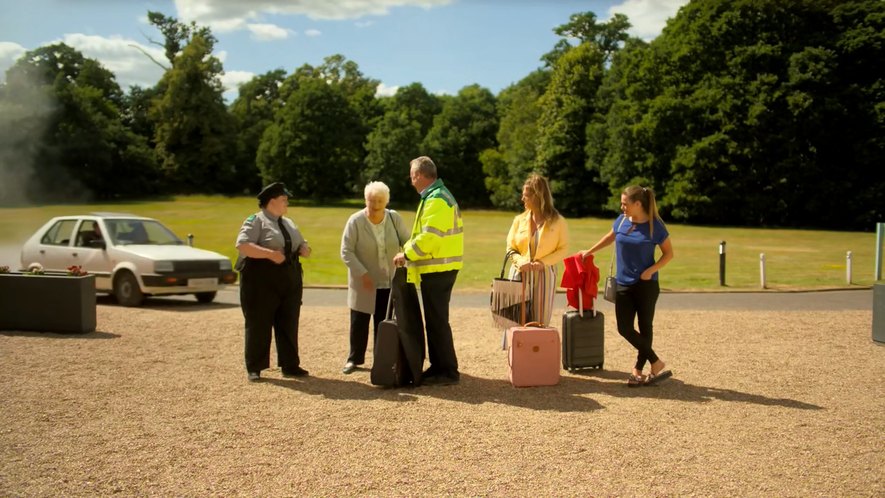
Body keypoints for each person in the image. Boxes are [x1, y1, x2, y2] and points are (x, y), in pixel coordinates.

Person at [581, 185, 674, 387]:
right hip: (623, 283)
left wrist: (651, 270)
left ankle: (637, 370)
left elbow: (669, 254)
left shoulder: (654, 226)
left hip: (646, 285)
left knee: (645, 327)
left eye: (625, 203)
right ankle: (656, 361)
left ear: (638, 204)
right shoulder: (622, 220)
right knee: (624, 328)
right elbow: (610, 236)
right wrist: (590, 251)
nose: (622, 207)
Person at [393, 156, 464, 386]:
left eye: (412, 175)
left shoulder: (437, 199)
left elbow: (430, 237)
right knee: (435, 320)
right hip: (439, 267)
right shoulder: (435, 196)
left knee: (437, 320)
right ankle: (440, 366)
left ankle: (447, 370)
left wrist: (407, 253)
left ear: (420, 175)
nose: (411, 181)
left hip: (439, 268)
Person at [235, 182, 312, 382]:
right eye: (283, 199)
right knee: (259, 322)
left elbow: (300, 241)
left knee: (289, 321)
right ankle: (255, 367)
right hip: (261, 279)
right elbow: (242, 245)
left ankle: (290, 365)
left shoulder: (288, 222)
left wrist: (304, 247)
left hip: (289, 278)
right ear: (271, 201)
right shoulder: (256, 221)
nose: (287, 202)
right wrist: (269, 254)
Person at [340, 181, 411, 374]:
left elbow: (408, 241)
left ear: (386, 201)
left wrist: (406, 256)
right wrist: (362, 273)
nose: (375, 205)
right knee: (359, 322)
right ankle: (354, 359)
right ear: (365, 200)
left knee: (384, 322)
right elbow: (346, 251)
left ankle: (382, 359)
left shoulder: (394, 218)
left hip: (388, 281)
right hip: (363, 282)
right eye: (372, 200)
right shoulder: (355, 221)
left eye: (380, 201)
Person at [505, 173, 569, 326]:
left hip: (545, 275)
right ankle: (515, 349)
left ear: (537, 196)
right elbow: (510, 247)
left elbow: (563, 249)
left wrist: (543, 262)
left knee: (539, 320)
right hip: (519, 272)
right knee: (514, 319)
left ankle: (537, 349)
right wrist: (521, 261)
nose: (522, 199)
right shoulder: (518, 220)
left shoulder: (558, 221)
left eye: (525, 196)